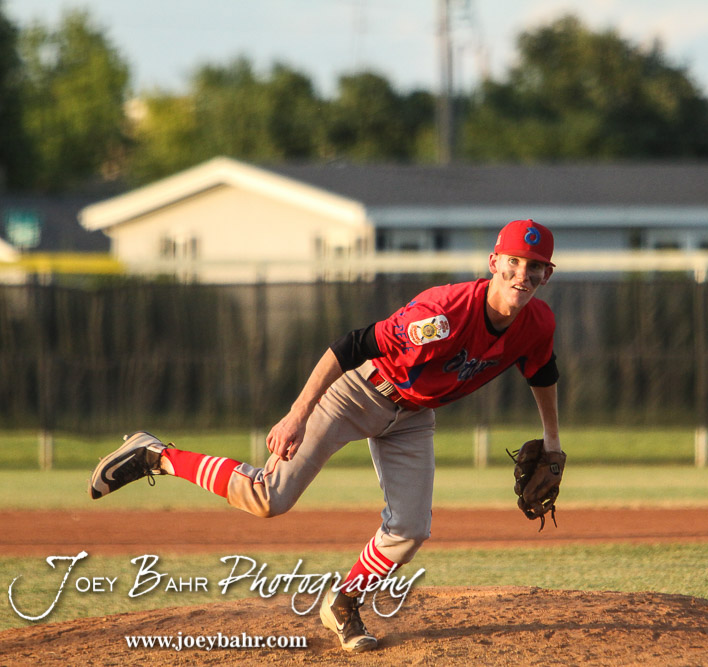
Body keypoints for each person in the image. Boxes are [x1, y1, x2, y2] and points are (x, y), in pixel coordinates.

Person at [88, 219, 563, 653]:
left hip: (415, 416)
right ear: (494, 262)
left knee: (410, 529)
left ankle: (343, 603)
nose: (522, 274)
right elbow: (351, 345)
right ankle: (157, 456)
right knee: (267, 497)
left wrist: (553, 443)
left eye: (535, 266)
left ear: (547, 275)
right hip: (359, 391)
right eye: (514, 261)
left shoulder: (538, 323)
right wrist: (297, 414)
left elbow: (541, 371)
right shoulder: (441, 314)